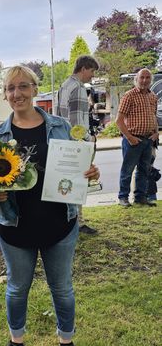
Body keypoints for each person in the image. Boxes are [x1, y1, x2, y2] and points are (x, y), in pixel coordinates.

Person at [0, 65, 100, 346]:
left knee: (61, 290)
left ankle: (66, 345)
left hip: (59, 225)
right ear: (6, 94)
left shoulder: (61, 127)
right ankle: (16, 343)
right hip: (15, 226)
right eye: (11, 88)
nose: (17, 93)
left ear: (35, 89)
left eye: (23, 86)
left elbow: (80, 167)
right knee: (16, 289)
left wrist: (90, 173)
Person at [55, 55, 100, 235]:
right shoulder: (79, 88)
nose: (92, 76)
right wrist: (89, 139)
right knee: (80, 182)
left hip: (62, 141)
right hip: (76, 144)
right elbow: (77, 123)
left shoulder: (64, 85)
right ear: (83, 69)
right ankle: (78, 223)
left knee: (66, 183)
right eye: (92, 71)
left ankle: (69, 220)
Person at [116, 68, 159, 207]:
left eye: (147, 78)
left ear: (150, 80)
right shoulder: (129, 96)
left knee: (144, 170)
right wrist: (129, 137)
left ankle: (140, 197)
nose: (144, 80)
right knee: (127, 170)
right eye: (142, 77)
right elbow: (119, 120)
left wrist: (156, 132)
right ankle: (123, 197)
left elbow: (153, 116)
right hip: (133, 140)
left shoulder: (153, 96)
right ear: (136, 79)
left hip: (148, 140)